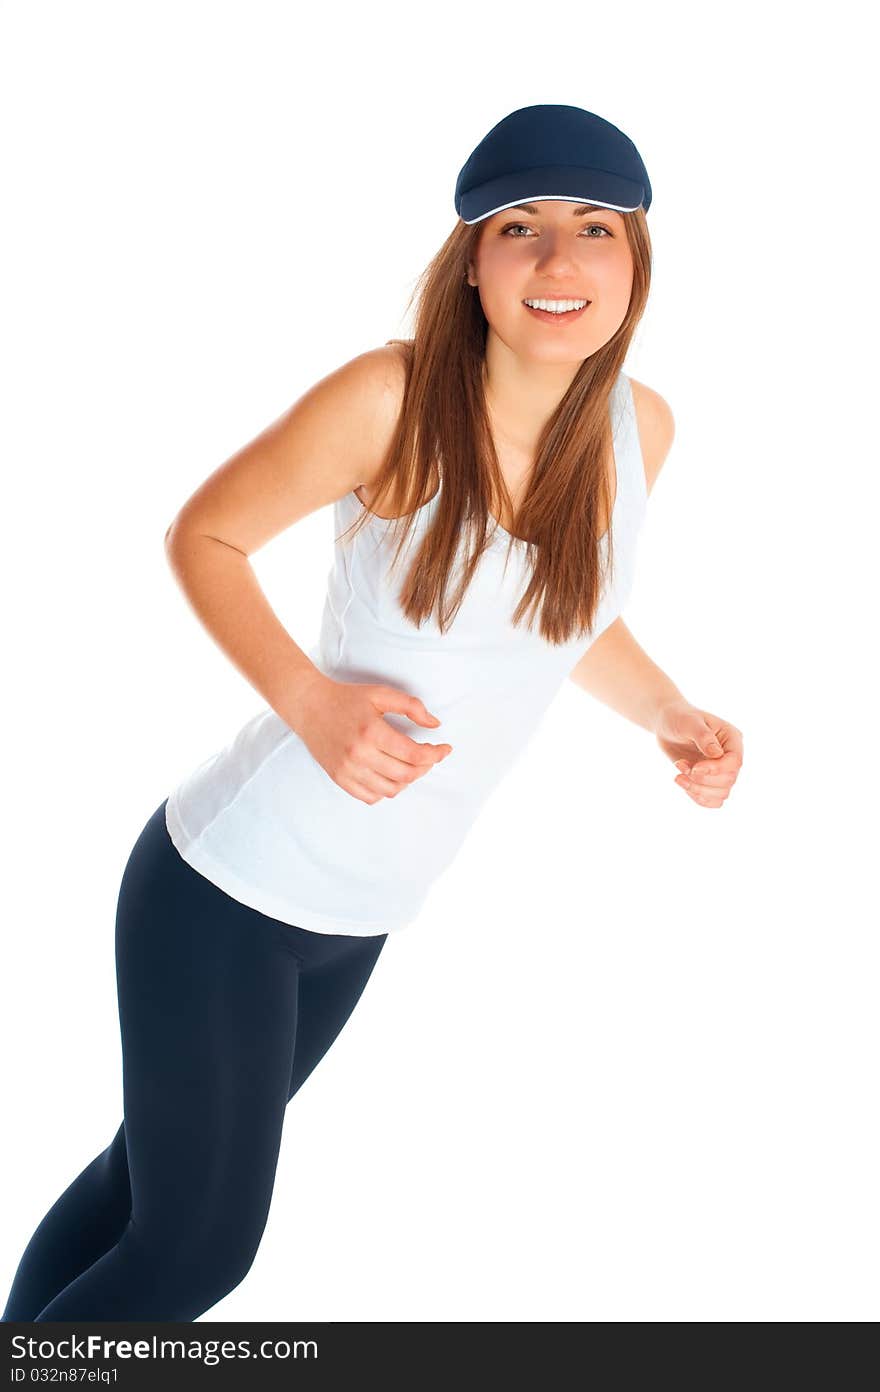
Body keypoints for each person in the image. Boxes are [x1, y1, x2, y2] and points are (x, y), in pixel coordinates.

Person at [1, 103, 743, 1323]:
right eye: (520, 226)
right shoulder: (391, 399)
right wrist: (311, 702)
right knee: (198, 1254)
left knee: (143, 1197)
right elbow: (206, 534)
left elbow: (559, 616)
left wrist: (667, 711)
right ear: (471, 261)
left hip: (360, 912)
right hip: (228, 893)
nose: (560, 260)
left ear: (635, 259)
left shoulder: (634, 429)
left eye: (594, 228)